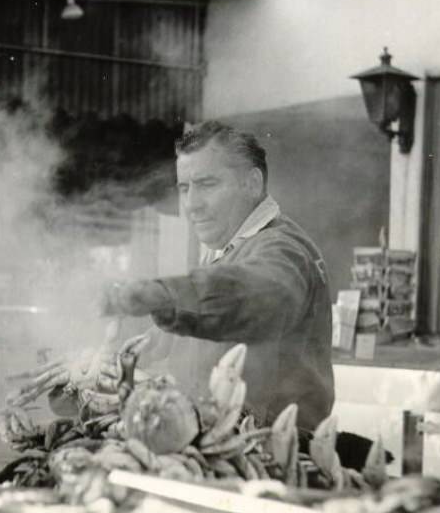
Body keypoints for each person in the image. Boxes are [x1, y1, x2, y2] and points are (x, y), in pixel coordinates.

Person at [99, 120, 334, 433]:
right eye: (184, 188)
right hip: (206, 439)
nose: (191, 205)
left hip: (267, 450)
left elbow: (248, 296)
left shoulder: (283, 249)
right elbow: (186, 328)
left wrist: (157, 295)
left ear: (252, 184)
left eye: (207, 184)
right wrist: (119, 356)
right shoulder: (226, 249)